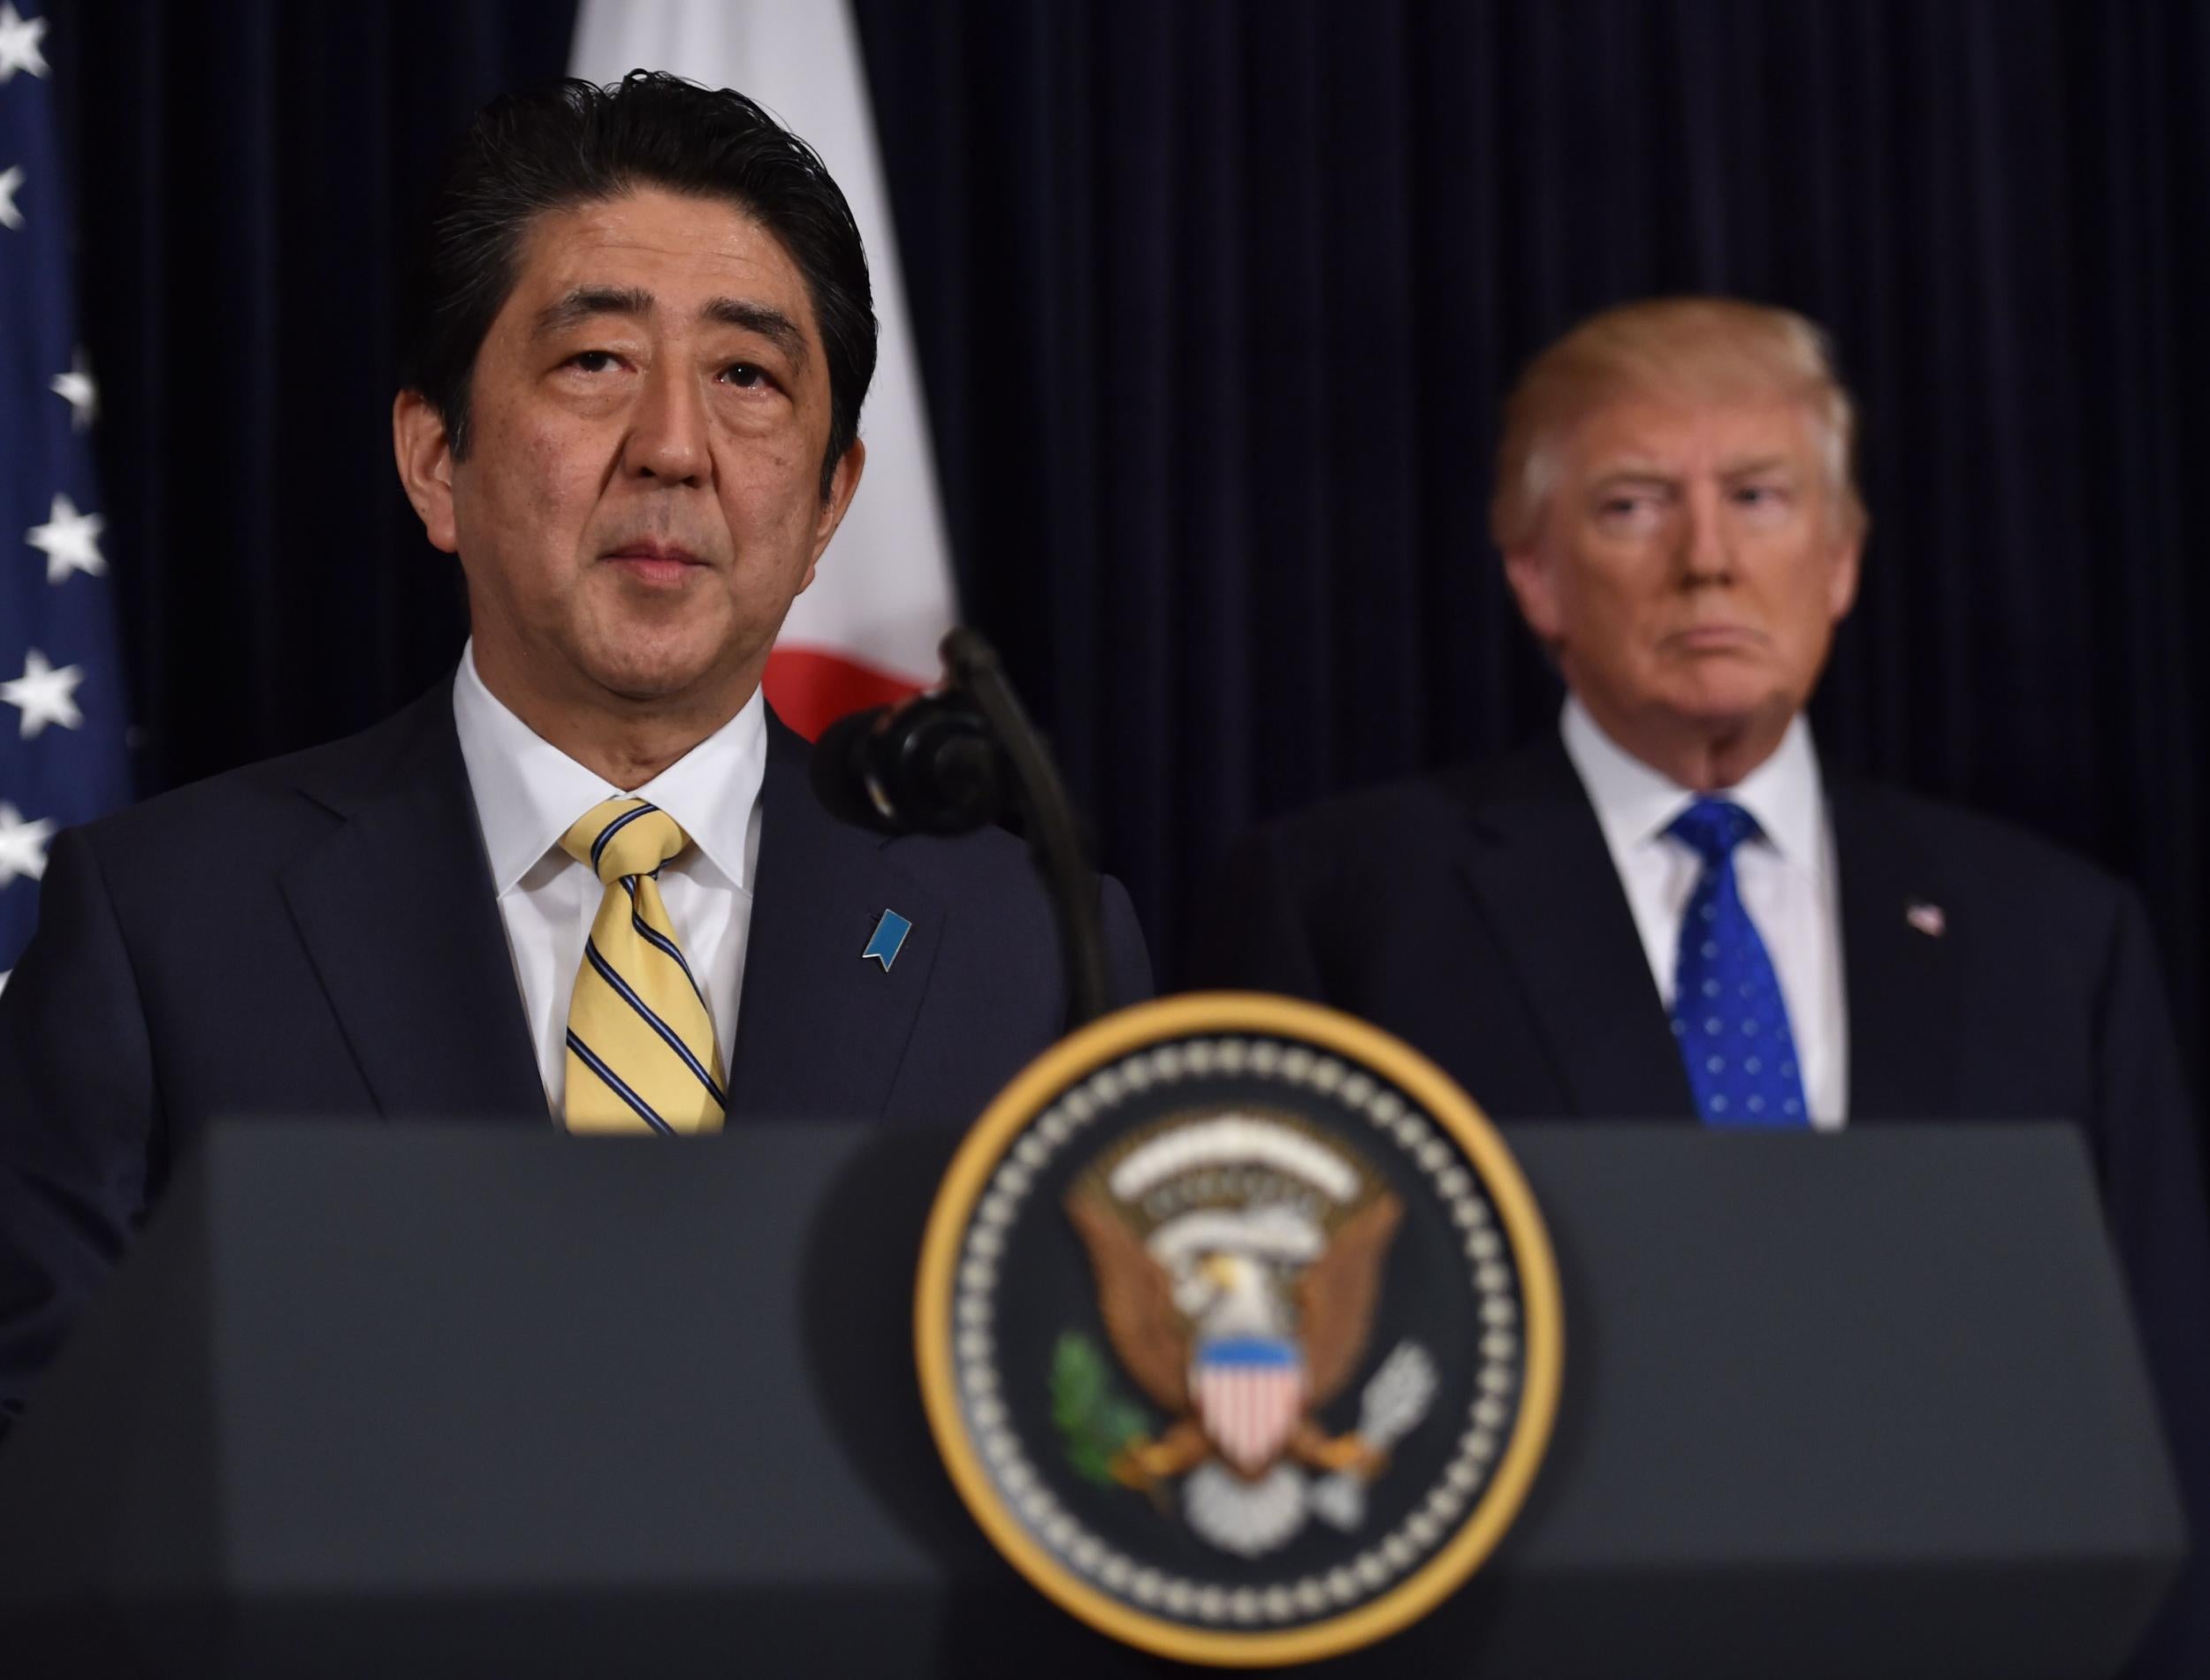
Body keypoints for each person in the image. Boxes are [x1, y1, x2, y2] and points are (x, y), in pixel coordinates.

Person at [0, 72, 1149, 1429]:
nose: (673, 447)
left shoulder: (1027, 947)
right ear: (437, 460)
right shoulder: (165, 930)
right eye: (596, 360)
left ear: (831, 497)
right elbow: (50, 1491)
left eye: (746, 376)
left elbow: (1109, 1452)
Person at [1192, 296, 2208, 1672]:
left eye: (1761, 496)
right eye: (1632, 506)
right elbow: (1278, 1393)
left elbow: (2156, 1431)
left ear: (1841, 559)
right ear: (1535, 572)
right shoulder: (1347, 906)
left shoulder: (2056, 934)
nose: (1709, 559)